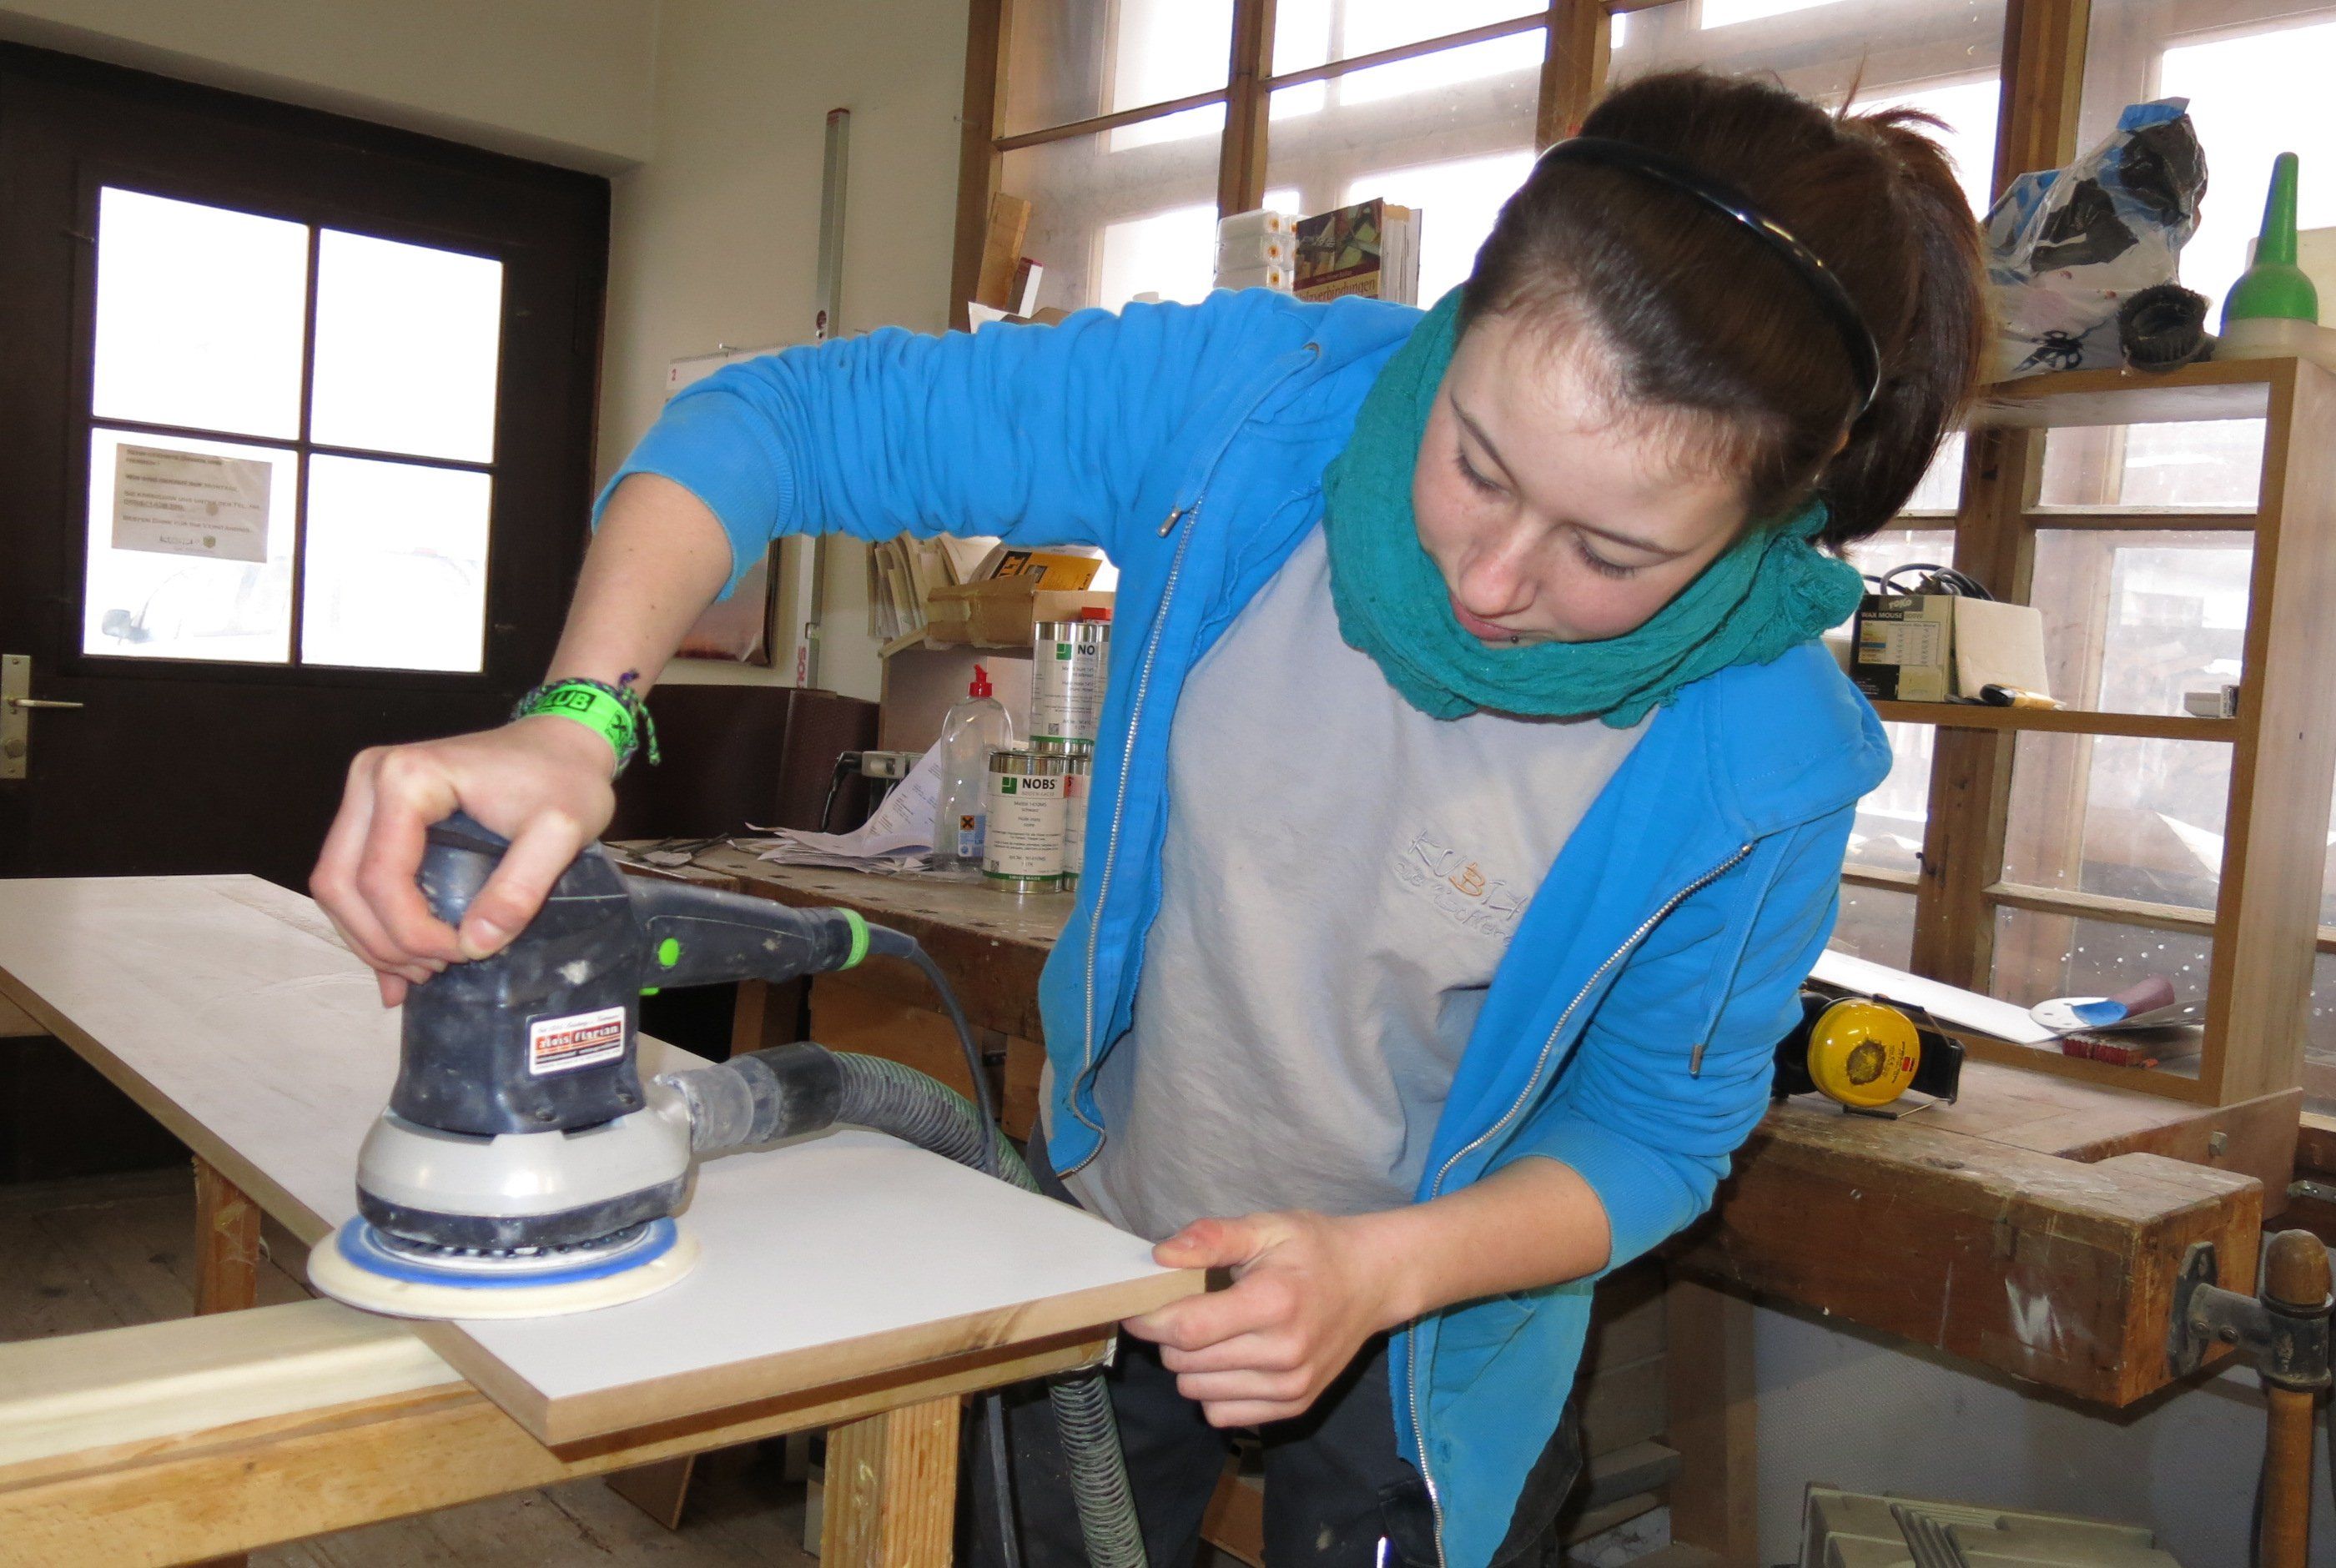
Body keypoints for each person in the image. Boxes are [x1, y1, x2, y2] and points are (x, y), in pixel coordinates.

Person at [312, 68, 1985, 1568]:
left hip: (1436, 1317)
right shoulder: (1249, 409)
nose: (1491, 582)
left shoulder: (1766, 755)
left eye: (1610, 555)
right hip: (1116, 1210)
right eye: (1476, 463)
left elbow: (1654, 1138)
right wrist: (579, 718)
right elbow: (776, 421)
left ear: (1774, 521)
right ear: (1466, 313)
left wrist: (1383, 1271)